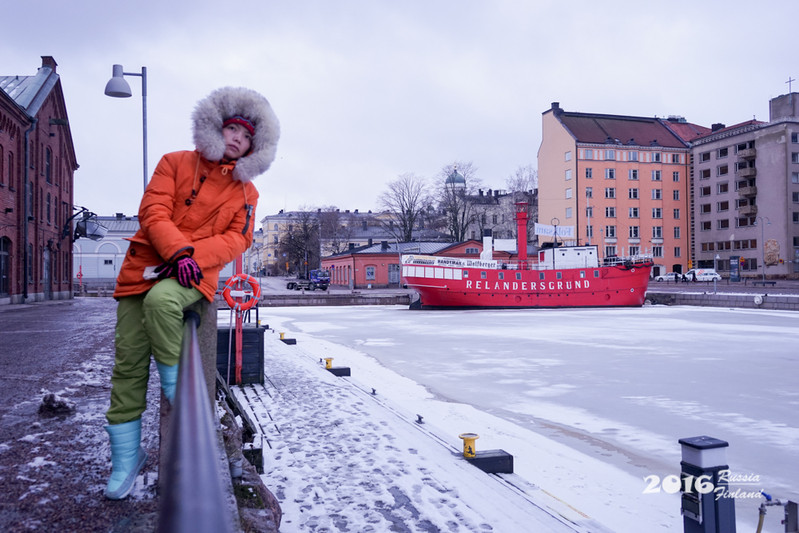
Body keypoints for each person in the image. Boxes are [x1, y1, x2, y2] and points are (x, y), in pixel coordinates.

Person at [103, 86, 279, 500]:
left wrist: (190, 258)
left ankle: (178, 392)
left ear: (255, 146)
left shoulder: (247, 193)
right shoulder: (175, 162)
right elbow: (153, 211)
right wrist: (174, 250)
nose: (237, 138)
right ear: (217, 127)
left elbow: (239, 240)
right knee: (127, 364)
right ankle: (126, 459)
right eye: (232, 128)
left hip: (192, 276)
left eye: (246, 135)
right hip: (142, 267)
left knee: (163, 302)